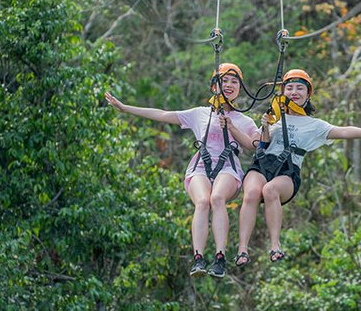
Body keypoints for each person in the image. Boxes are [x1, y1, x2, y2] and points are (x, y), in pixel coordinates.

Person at [223, 68, 361, 266]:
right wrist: (262, 128)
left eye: (299, 88)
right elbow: (257, 144)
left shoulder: (314, 125)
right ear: (283, 92)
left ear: (308, 93)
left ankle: (275, 245)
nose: (294, 92)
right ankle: (242, 249)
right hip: (262, 164)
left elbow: (344, 130)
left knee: (270, 190)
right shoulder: (274, 117)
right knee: (252, 192)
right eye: (289, 88)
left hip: (287, 171)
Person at [104, 63, 259, 278]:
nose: (229, 85)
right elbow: (162, 114)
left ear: (240, 88)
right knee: (203, 201)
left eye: (234, 82)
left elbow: (254, 144)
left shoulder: (244, 120)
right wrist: (125, 108)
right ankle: (198, 257)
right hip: (201, 165)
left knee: (216, 198)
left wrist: (232, 127)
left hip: (227, 166)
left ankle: (220, 257)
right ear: (215, 86)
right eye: (224, 81)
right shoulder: (199, 114)